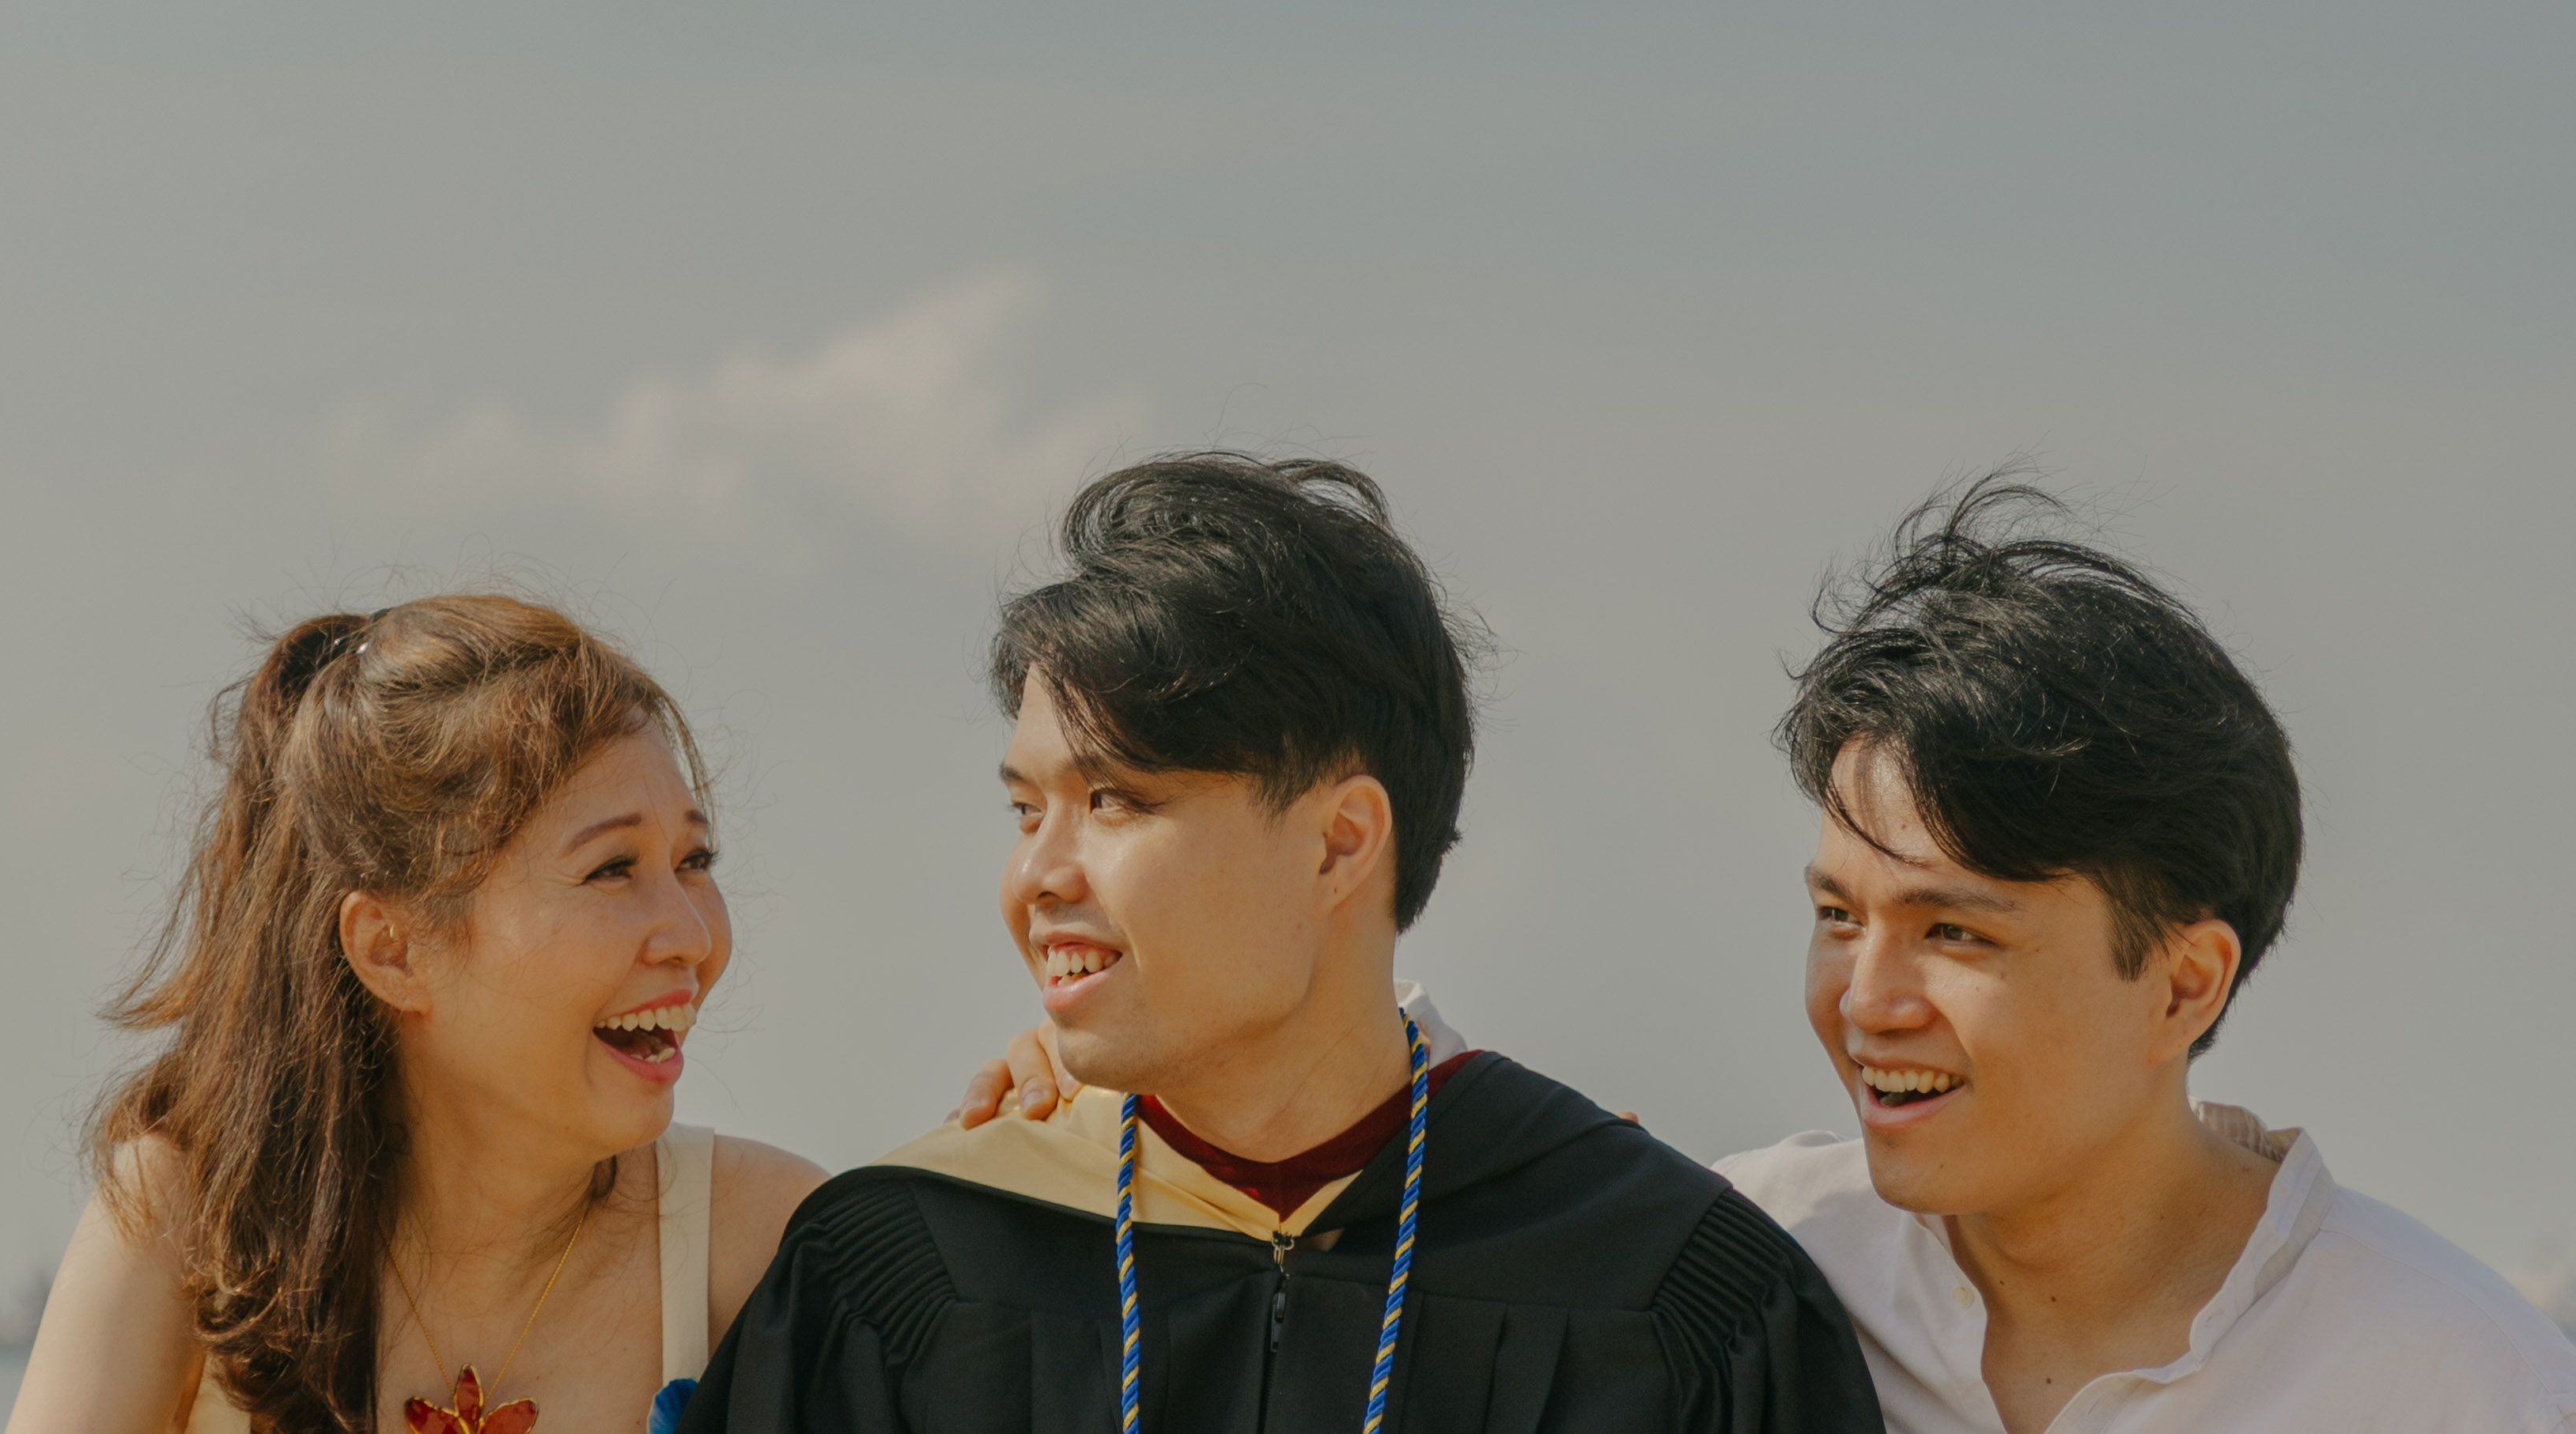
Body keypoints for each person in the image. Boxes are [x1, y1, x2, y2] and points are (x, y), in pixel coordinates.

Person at [689, 452, 1881, 1434]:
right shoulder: (904, 1266)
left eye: (1115, 801)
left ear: (1338, 843)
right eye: (1024, 809)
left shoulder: (1665, 1279)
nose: (1037, 875)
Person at [1718, 482, 2575, 1432]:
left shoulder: (2470, 1390)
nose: (1867, 1000)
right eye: (1838, 915)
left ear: (2183, 985)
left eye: (1954, 930)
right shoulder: (1724, 1271)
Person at [6, 595, 822, 1434]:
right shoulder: (187, 1222)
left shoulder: (773, 1240)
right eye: (612, 868)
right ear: (391, 949)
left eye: (694, 859)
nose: (693, 937)